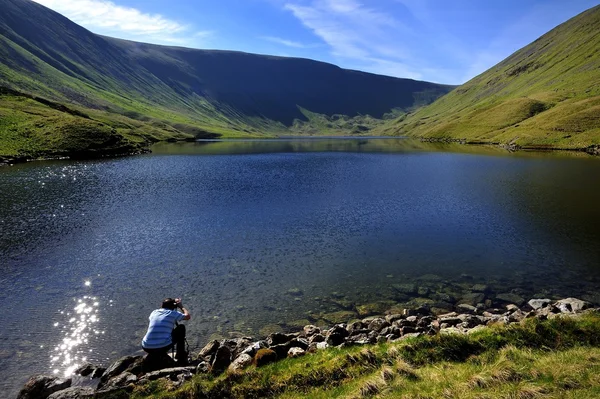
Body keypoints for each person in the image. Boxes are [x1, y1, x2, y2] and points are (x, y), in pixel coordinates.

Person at [141, 297, 191, 364]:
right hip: (162, 347)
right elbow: (187, 316)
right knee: (181, 328)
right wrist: (181, 306)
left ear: (162, 305)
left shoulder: (154, 312)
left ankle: (154, 355)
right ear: (173, 306)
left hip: (146, 346)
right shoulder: (172, 313)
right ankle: (181, 357)